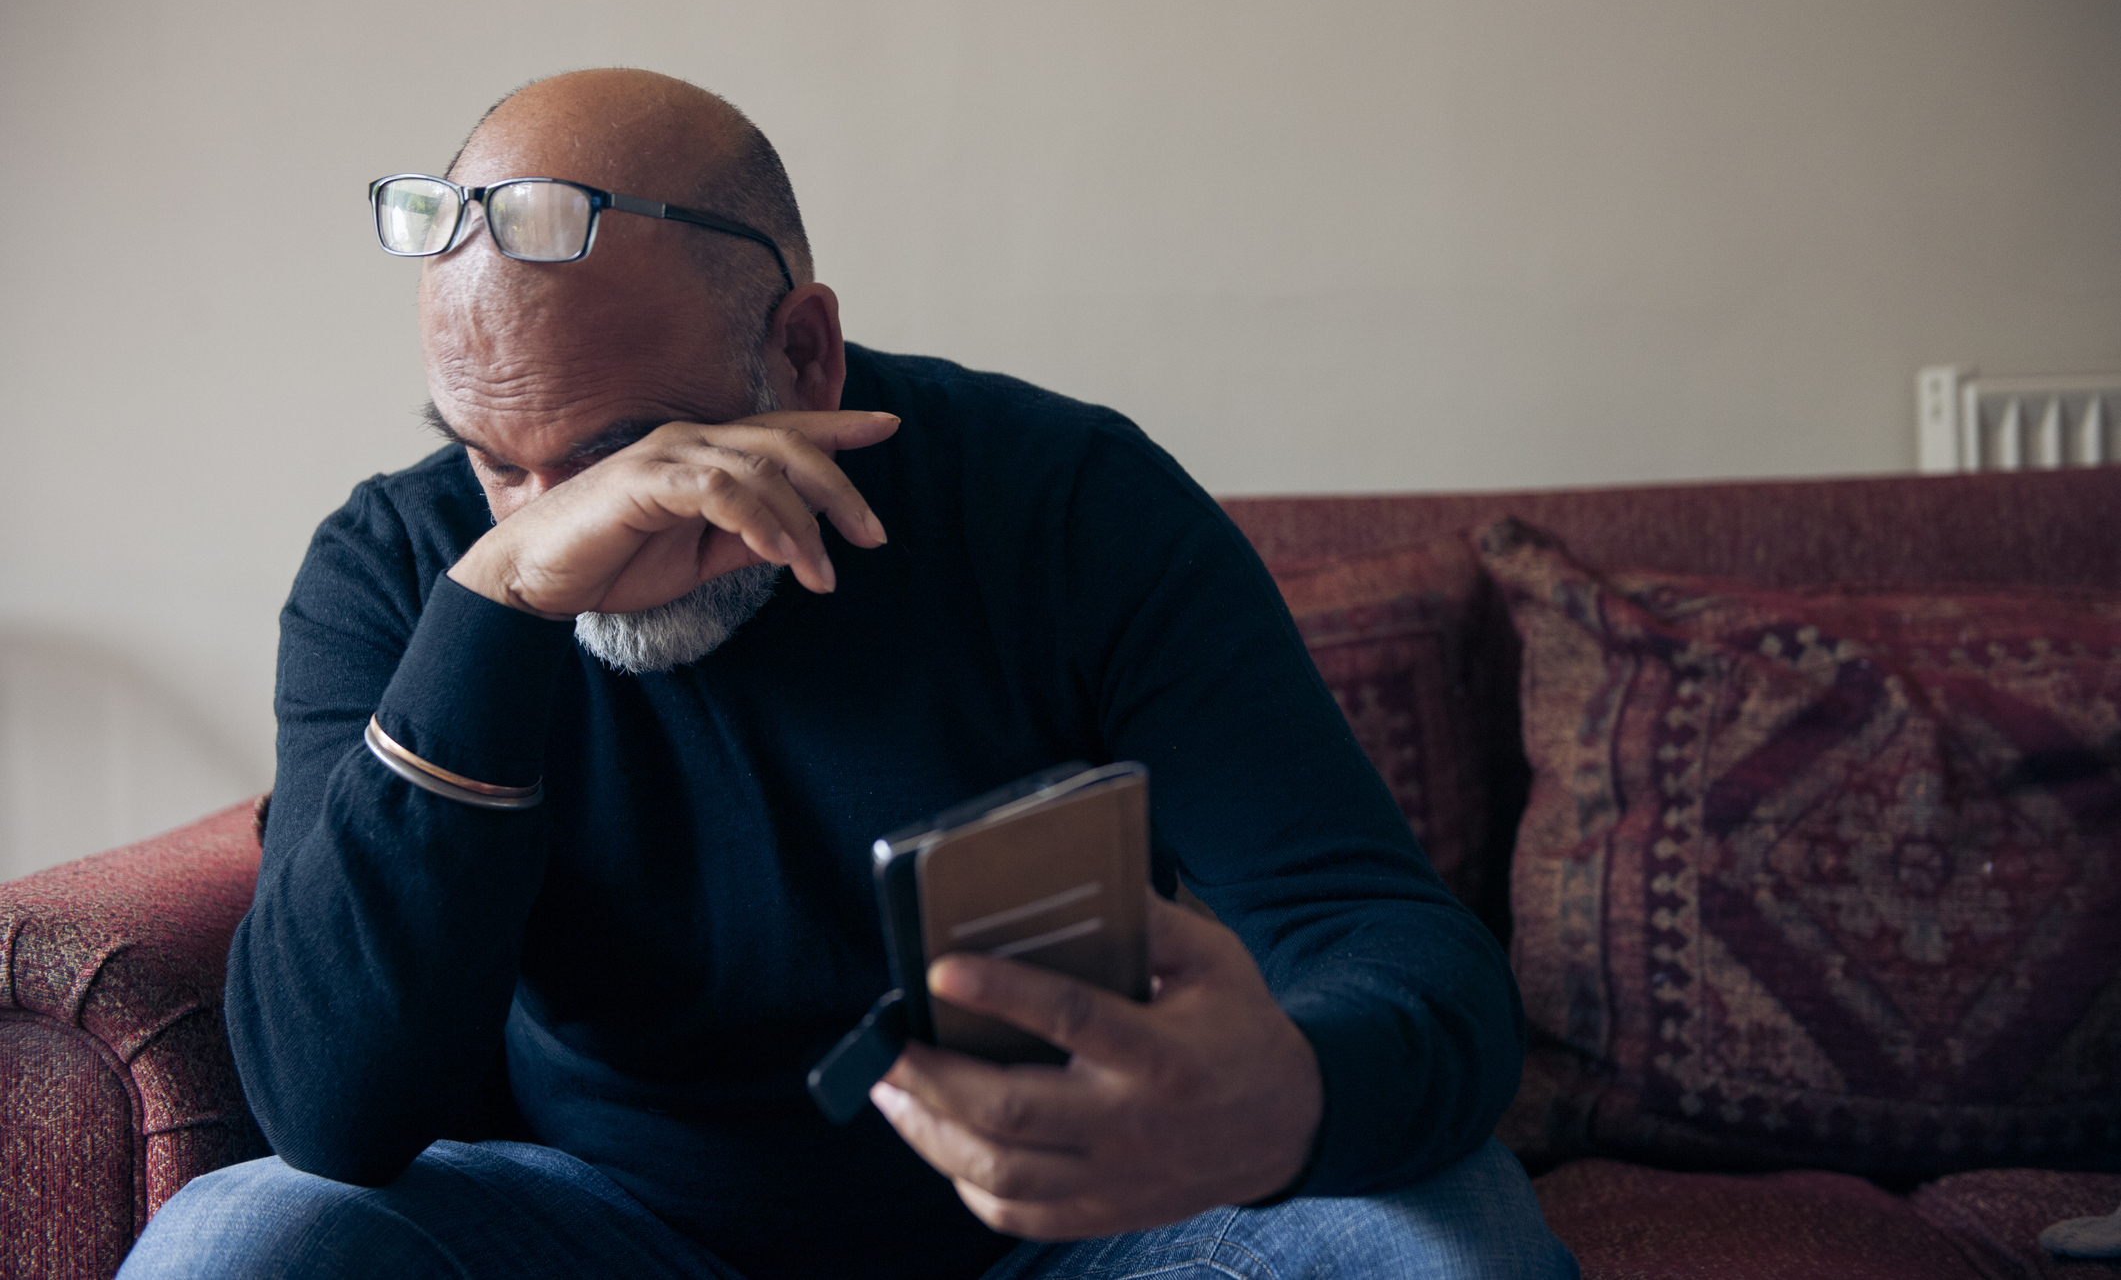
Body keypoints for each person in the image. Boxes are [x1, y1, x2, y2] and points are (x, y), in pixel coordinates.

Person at [119, 69, 1576, 1280]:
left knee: (1438, 1236)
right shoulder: (402, 567)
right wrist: (498, 604)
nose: (573, 530)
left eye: (625, 459)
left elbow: (1394, 944)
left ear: (804, 352)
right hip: (606, 1229)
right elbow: (331, 1112)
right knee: (240, 1242)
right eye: (493, 462)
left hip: (1072, 1239)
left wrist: (1283, 1099)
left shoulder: (1064, 502)